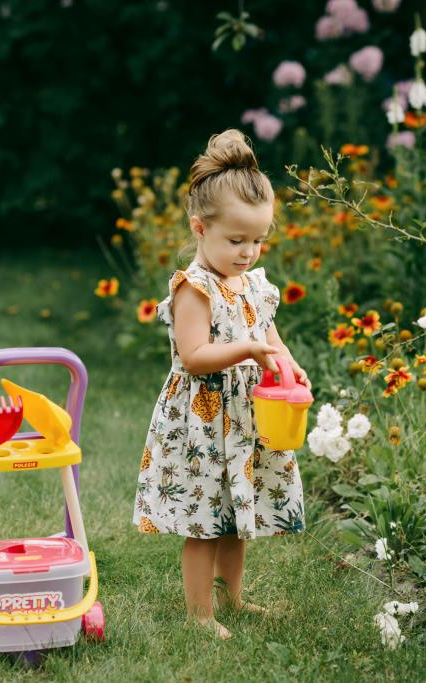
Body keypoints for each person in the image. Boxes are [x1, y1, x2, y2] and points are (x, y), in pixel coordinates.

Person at [132, 129, 311, 640]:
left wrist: (287, 366)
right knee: (205, 519)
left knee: (237, 513)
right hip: (203, 420)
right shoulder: (196, 287)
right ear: (199, 228)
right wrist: (248, 352)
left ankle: (233, 598)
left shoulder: (254, 282)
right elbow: (194, 356)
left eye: (258, 240)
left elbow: (270, 335)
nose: (248, 251)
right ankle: (199, 614)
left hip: (246, 417)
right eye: (236, 241)